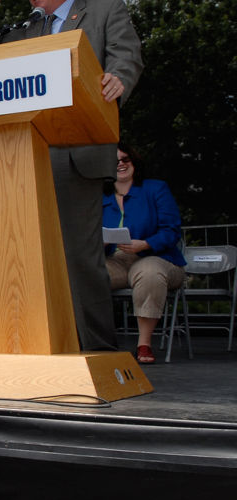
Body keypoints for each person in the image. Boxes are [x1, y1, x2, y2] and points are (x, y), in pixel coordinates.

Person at [0, 0, 144, 351]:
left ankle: (97, 352)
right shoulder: (24, 26)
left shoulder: (102, 10)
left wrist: (118, 78)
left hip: (76, 151)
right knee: (20, 258)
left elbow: (126, 56)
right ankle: (32, 347)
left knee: (78, 261)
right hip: (22, 156)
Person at [103, 143, 185, 364]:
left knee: (148, 272)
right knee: (86, 273)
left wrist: (146, 244)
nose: (120, 164)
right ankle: (94, 340)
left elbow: (171, 229)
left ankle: (144, 344)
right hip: (117, 259)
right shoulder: (101, 197)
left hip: (159, 258)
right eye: (115, 161)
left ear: (135, 162)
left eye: (125, 159)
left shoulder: (155, 189)